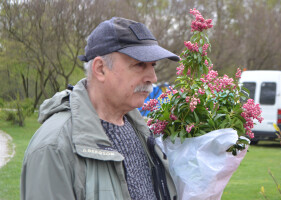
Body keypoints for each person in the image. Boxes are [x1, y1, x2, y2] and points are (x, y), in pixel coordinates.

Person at [21, 17, 180, 200]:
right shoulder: (53, 148)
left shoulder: (143, 132)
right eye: (139, 64)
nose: (152, 77)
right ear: (100, 69)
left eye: (153, 65)